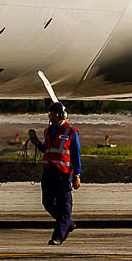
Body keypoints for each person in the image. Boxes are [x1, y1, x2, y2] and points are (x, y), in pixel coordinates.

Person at [24, 101, 82, 243]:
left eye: (51, 113)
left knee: (64, 204)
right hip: (49, 171)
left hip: (63, 173)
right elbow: (46, 149)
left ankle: (58, 236)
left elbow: (76, 154)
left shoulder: (71, 132)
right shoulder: (48, 130)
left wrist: (77, 175)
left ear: (58, 114)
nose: (49, 115)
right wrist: (36, 142)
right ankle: (66, 222)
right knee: (47, 202)